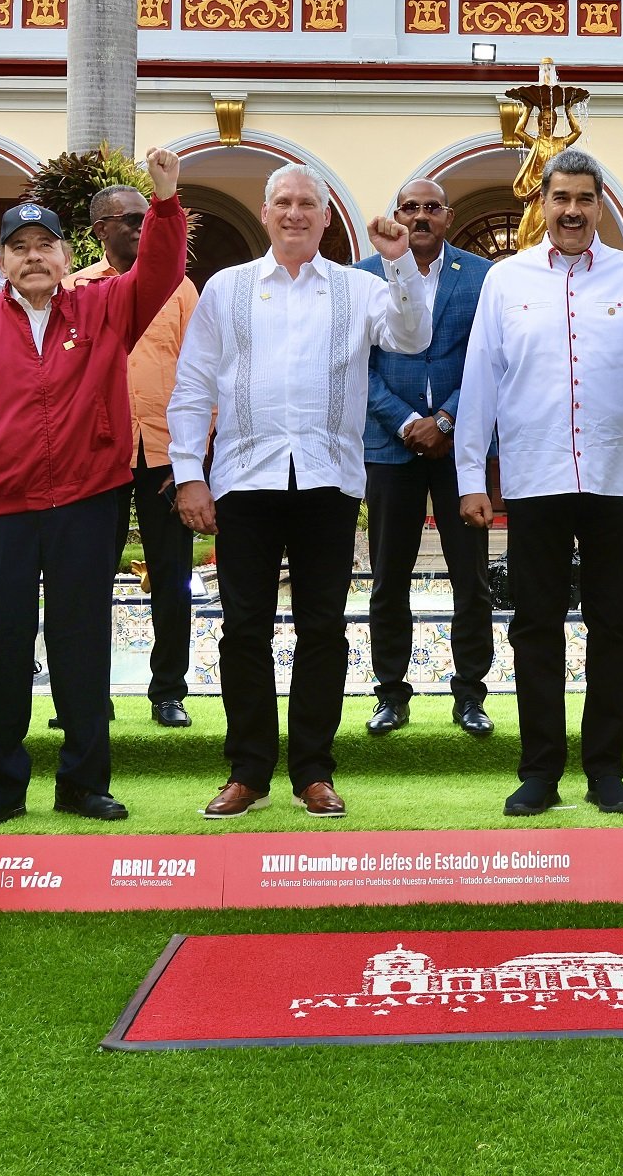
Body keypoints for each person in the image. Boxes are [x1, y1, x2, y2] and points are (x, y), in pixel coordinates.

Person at [0, 149, 186, 828]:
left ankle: (84, 782)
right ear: (0, 261)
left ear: (66, 257)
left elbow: (161, 273)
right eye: (18, 247)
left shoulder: (104, 308)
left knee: (81, 643)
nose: (32, 257)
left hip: (85, 503)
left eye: (45, 246)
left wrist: (167, 202)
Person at [456, 149, 623, 817]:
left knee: (615, 627)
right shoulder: (506, 279)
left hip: (616, 479)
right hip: (534, 475)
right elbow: (481, 381)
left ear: (601, 204)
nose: (572, 210)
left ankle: (606, 768)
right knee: (534, 627)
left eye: (584, 198)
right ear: (541, 205)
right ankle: (540, 771)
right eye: (561, 199)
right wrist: (471, 474)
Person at [169, 165, 428, 821]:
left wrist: (398, 263)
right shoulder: (226, 289)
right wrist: (188, 471)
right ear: (265, 212)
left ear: (324, 215)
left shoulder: (358, 287)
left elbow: (412, 337)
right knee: (243, 630)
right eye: (282, 202)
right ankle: (248, 771)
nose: (294, 213)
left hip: (329, 479)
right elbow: (194, 385)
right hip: (244, 479)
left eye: (306, 203)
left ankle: (313, 771)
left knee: (323, 631)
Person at [359, 176, 494, 740]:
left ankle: (470, 695)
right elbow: (355, 363)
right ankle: (391, 693)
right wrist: (404, 420)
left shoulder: (483, 276)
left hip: (459, 445)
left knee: (471, 575)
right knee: (390, 574)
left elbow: (491, 358)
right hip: (390, 446)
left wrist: (446, 420)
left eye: (430, 208)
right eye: (409, 208)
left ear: (449, 215)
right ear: (396, 214)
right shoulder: (366, 277)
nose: (419, 217)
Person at [66, 184, 203, 729]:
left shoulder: (181, 289)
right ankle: (86, 696)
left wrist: (199, 452)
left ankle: (168, 690)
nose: (145, 228)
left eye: (149, 218)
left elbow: (202, 372)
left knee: (173, 578)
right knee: (86, 580)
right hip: (96, 456)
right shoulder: (73, 291)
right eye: (131, 220)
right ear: (101, 230)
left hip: (166, 455)